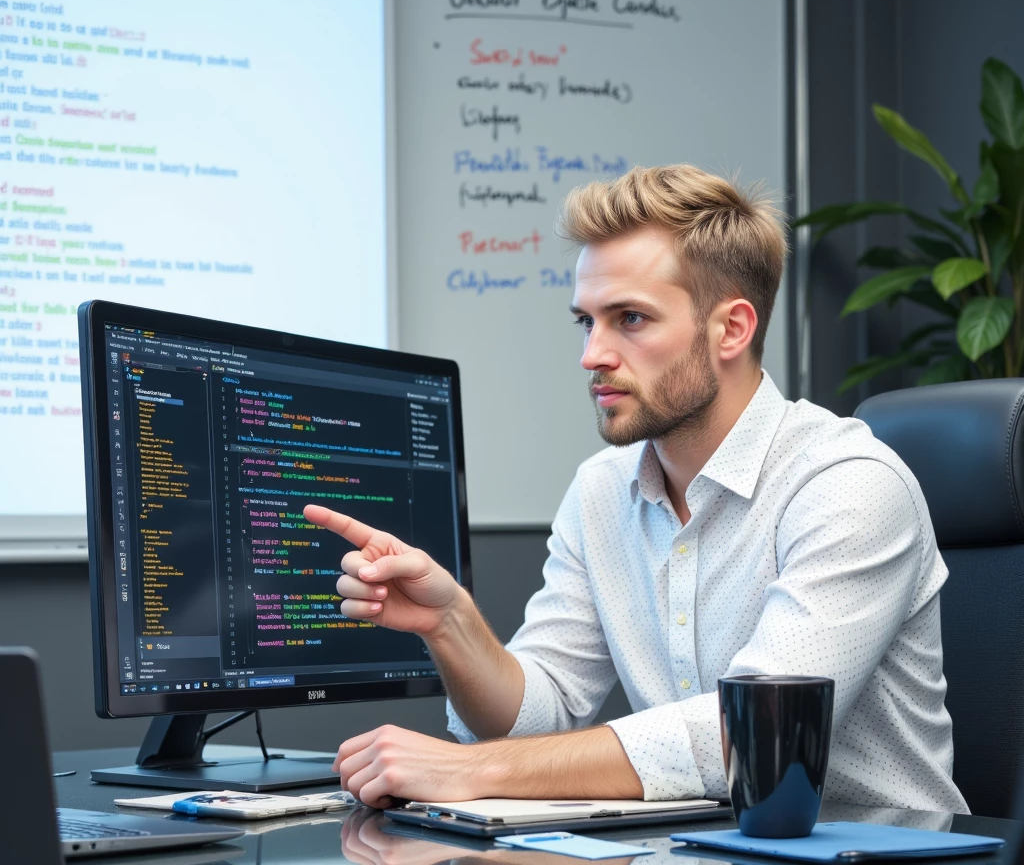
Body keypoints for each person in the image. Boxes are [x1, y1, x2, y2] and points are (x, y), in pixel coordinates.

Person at [306, 162, 967, 820]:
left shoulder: (849, 485)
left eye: (629, 319)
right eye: (585, 322)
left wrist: (468, 770)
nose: (592, 354)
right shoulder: (601, 490)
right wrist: (450, 623)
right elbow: (535, 718)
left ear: (731, 329)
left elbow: (754, 738)